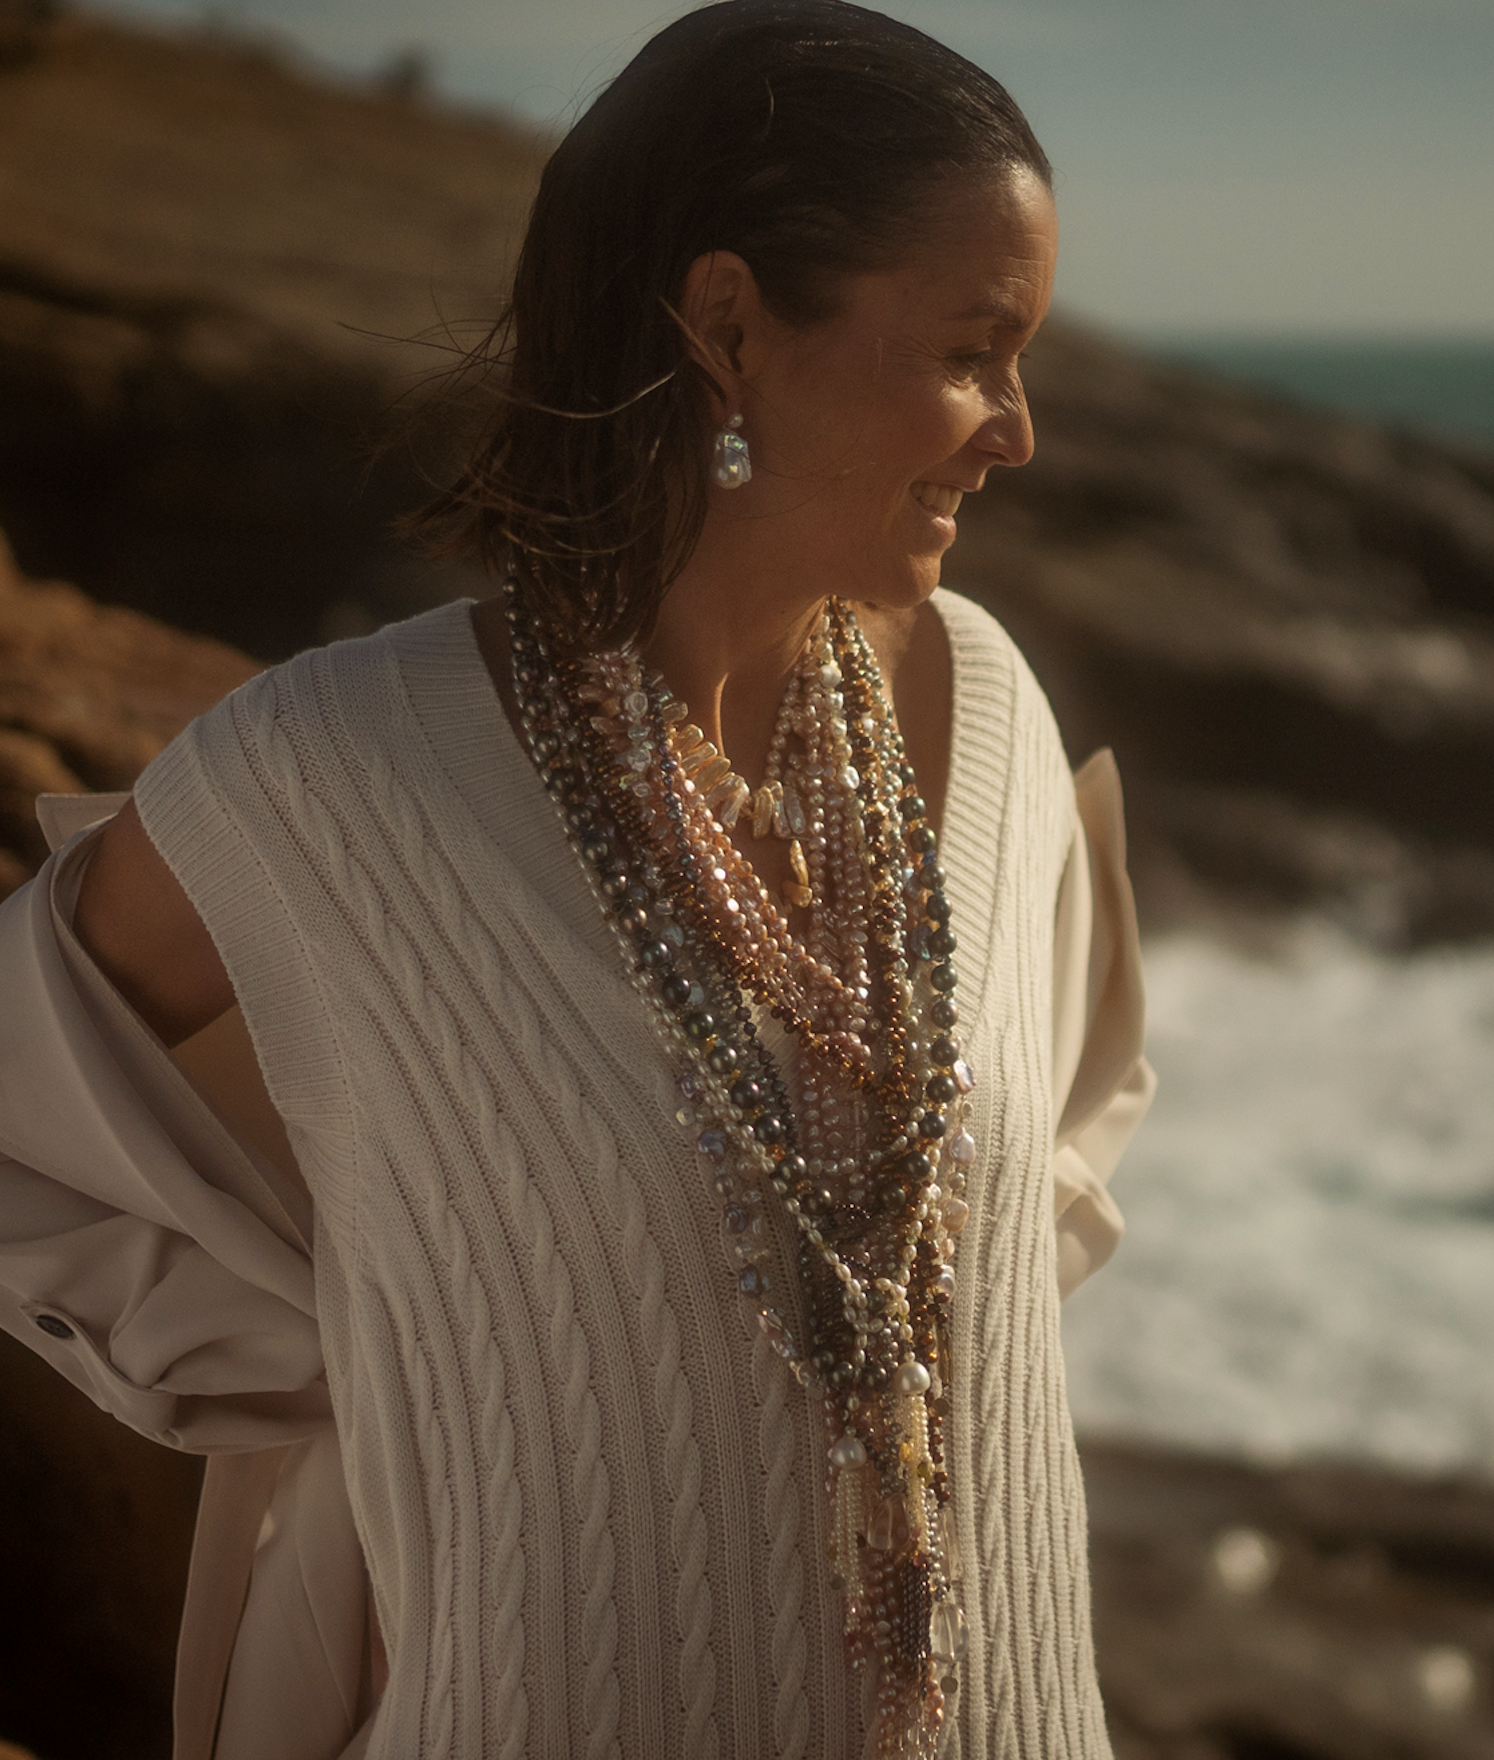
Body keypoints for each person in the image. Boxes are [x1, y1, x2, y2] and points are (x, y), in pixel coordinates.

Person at [0, 3, 1154, 1756]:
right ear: (729, 326)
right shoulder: (332, 775)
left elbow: (1027, 1173)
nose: (1017, 431)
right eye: (976, 348)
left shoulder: (984, 708)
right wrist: (385, 1343)